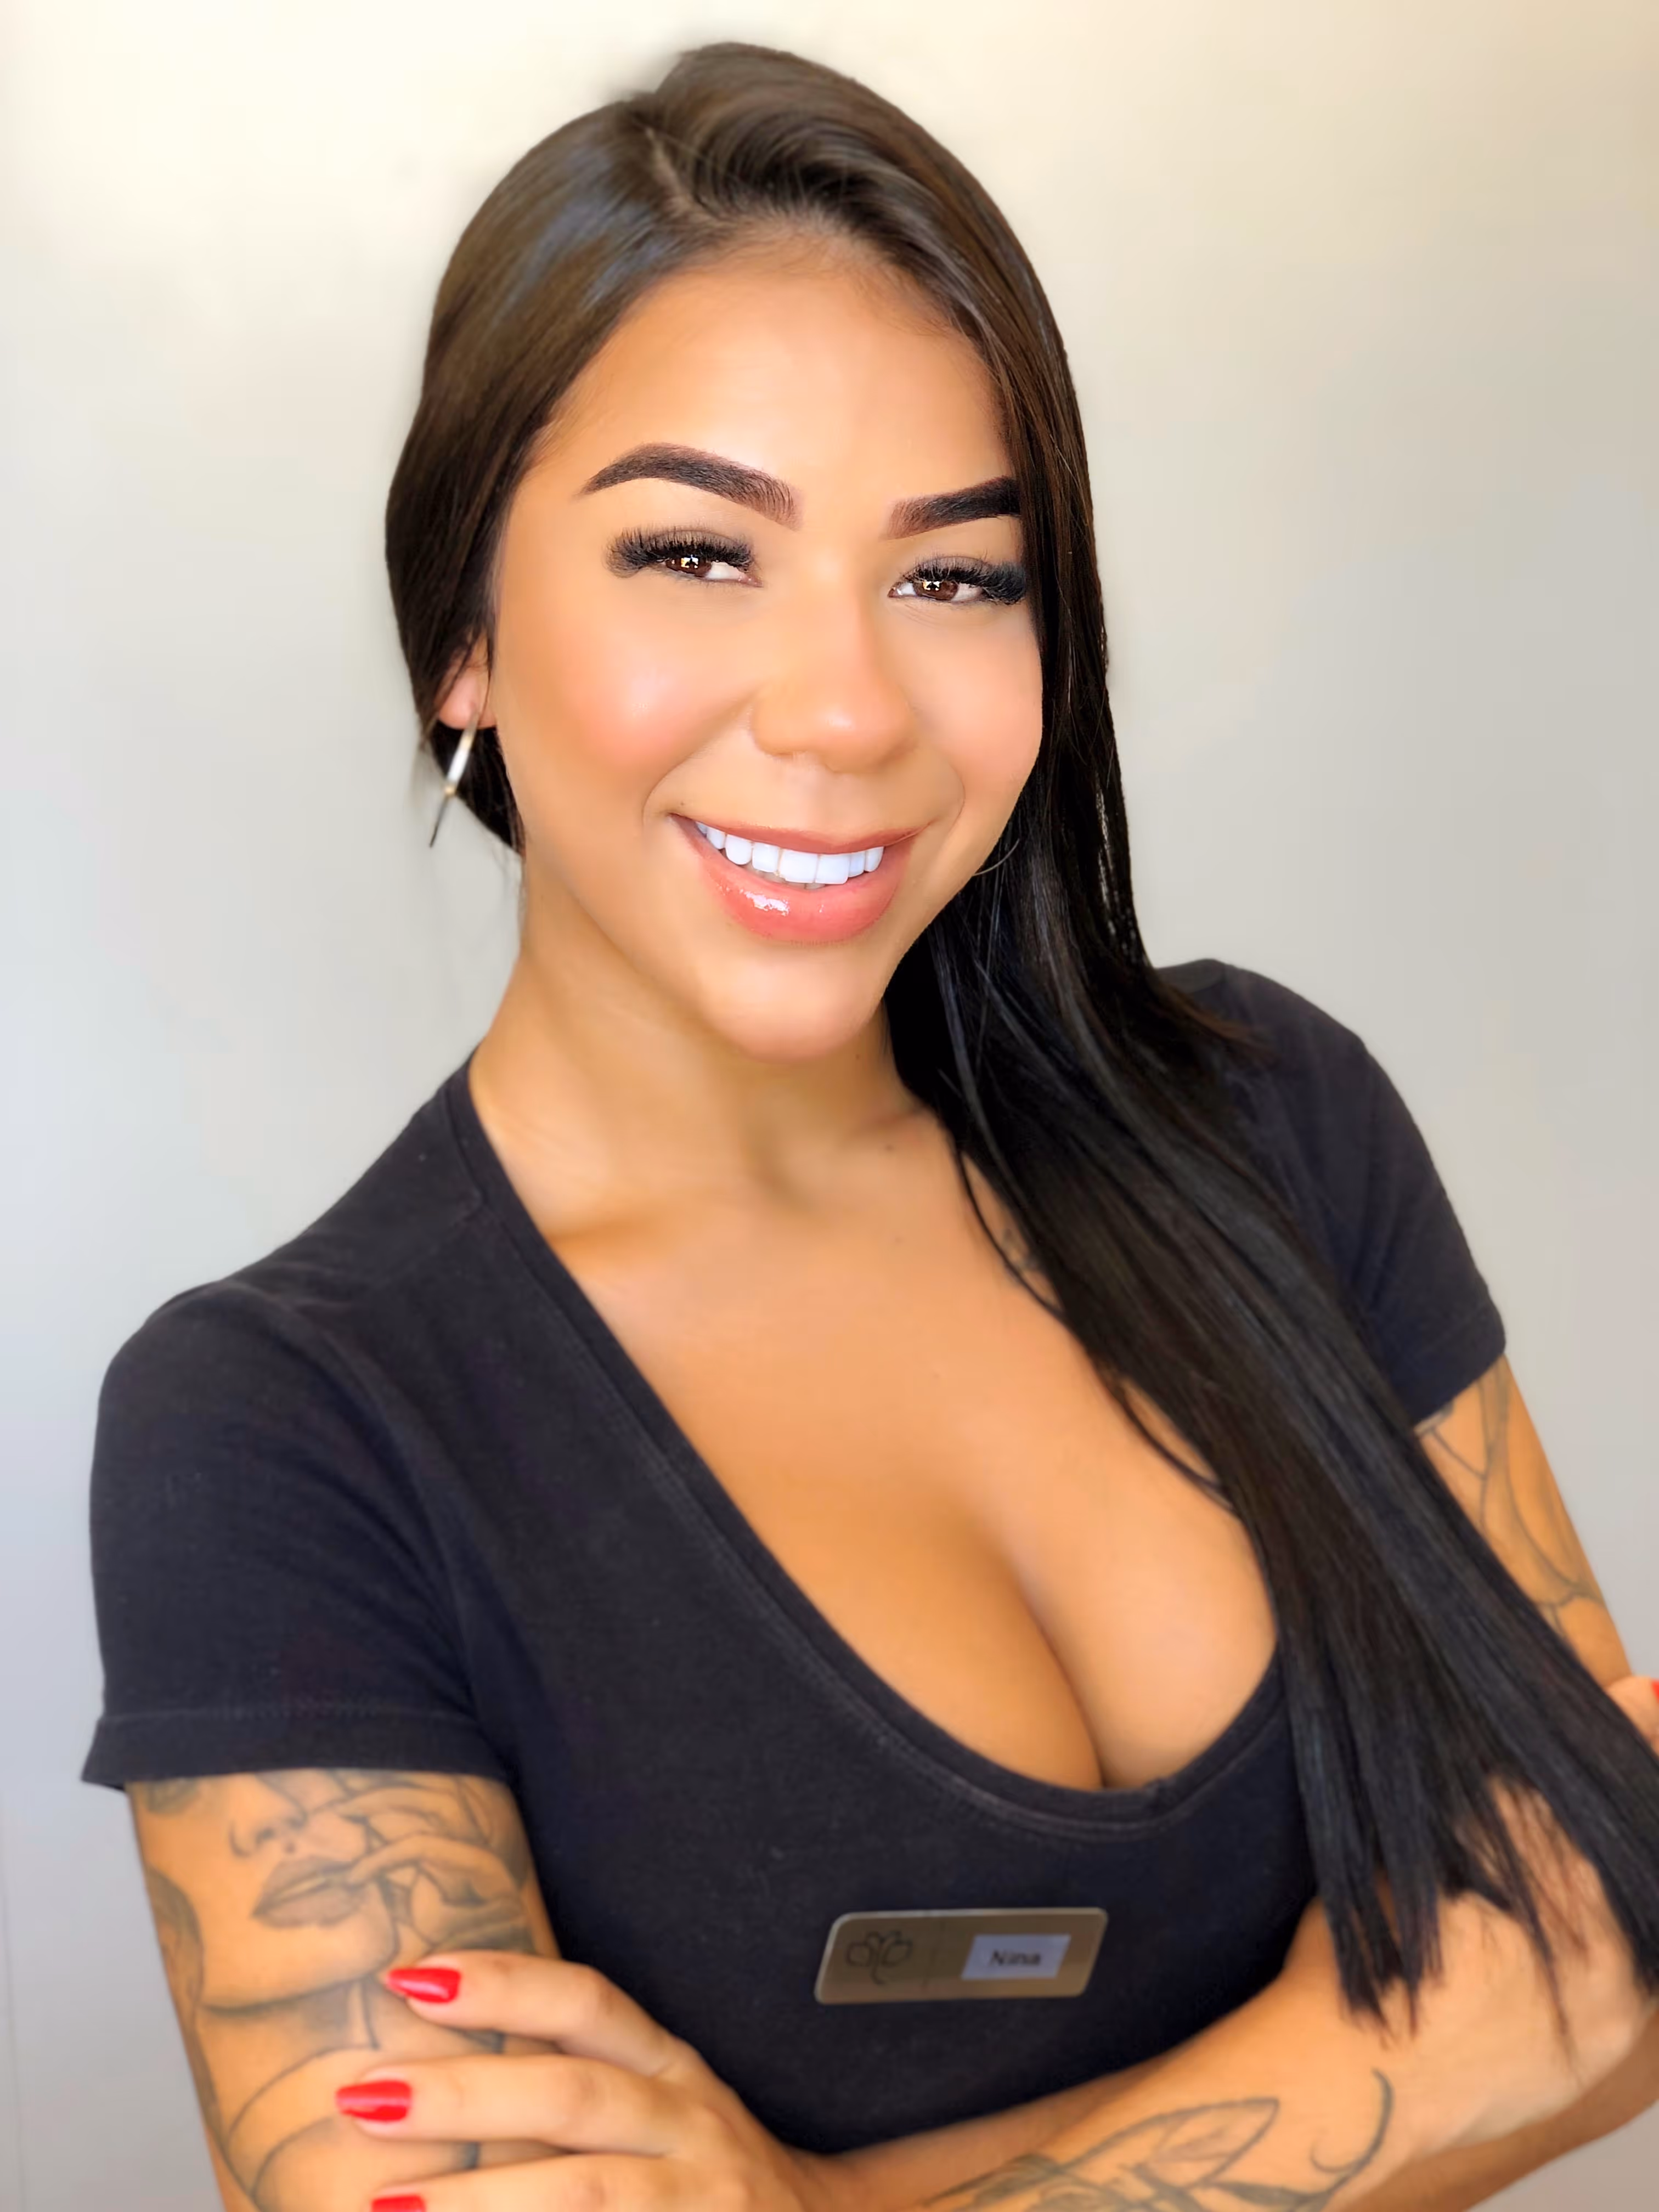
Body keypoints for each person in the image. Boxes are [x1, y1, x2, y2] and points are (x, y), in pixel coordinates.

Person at [80, 39, 1658, 2212]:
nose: (843, 709)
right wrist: (1398, 2068)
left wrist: (812, 2202)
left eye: (954, 577)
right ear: (462, 634)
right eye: (695, 552)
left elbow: (1615, 1946)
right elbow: (1516, 2029)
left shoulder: (1276, 1128)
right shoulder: (286, 1434)